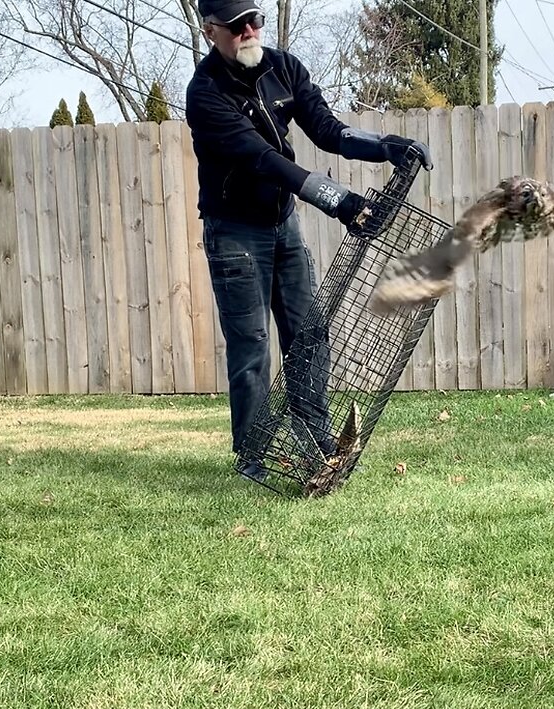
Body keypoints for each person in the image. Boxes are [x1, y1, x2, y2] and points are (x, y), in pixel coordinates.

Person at [185, 0, 433, 482]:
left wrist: (385, 145)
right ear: (211, 30)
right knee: (252, 344)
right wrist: (337, 199)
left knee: (309, 332)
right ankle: (254, 456)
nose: (250, 31)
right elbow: (263, 159)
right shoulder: (206, 93)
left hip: (282, 224)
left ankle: (315, 434)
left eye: (255, 20)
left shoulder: (283, 68)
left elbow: (328, 130)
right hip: (235, 232)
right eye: (236, 26)